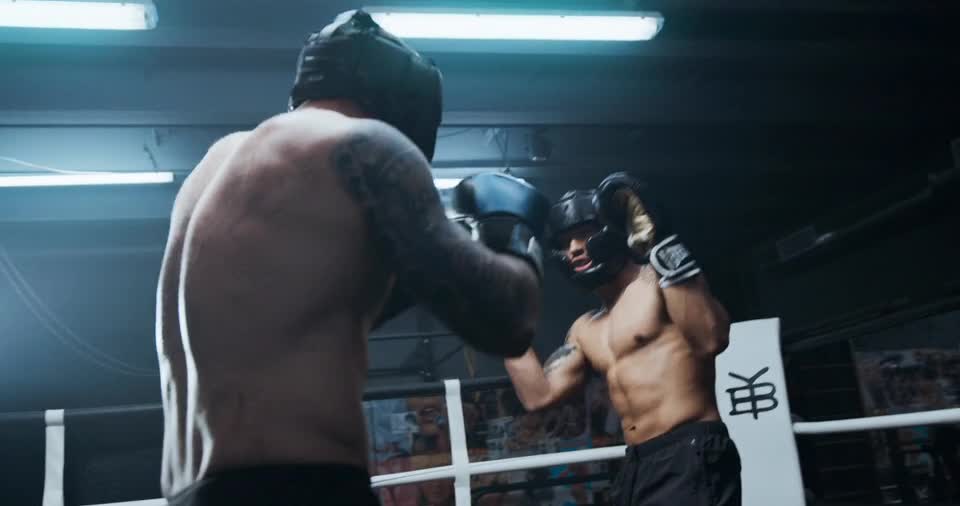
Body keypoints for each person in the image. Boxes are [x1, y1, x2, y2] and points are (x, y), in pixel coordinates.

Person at [155, 9, 550, 506]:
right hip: (298, 489)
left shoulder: (211, 170)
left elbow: (319, 310)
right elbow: (508, 320)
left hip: (191, 492)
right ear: (405, 104)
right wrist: (513, 235)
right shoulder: (366, 145)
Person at [503, 172, 741, 505]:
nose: (573, 249)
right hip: (637, 463)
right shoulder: (585, 328)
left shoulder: (658, 282)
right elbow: (538, 397)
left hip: (690, 450)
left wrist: (661, 246)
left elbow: (711, 339)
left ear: (612, 233)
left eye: (583, 235)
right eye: (563, 243)